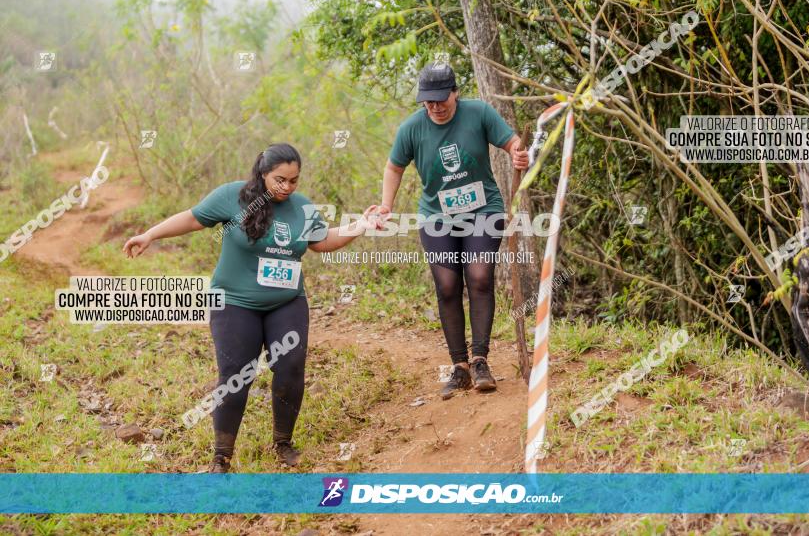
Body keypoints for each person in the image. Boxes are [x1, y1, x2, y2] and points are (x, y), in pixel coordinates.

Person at [123, 143, 378, 472]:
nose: (287, 187)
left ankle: (283, 443)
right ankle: (221, 457)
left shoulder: (302, 206)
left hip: (286, 300)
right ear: (263, 173)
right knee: (235, 376)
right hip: (234, 301)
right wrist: (149, 235)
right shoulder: (233, 197)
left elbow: (321, 241)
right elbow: (191, 218)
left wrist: (360, 227)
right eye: (279, 180)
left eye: (294, 180)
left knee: (290, 366)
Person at [375, 64, 529, 400]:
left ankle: (479, 360)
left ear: (455, 93)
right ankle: (458, 367)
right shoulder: (411, 129)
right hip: (437, 217)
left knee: (479, 277)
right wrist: (387, 205)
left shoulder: (479, 113)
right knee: (447, 286)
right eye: (427, 102)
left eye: (441, 100)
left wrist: (519, 154)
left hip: (482, 211)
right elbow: (394, 167)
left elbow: (513, 142)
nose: (435, 107)